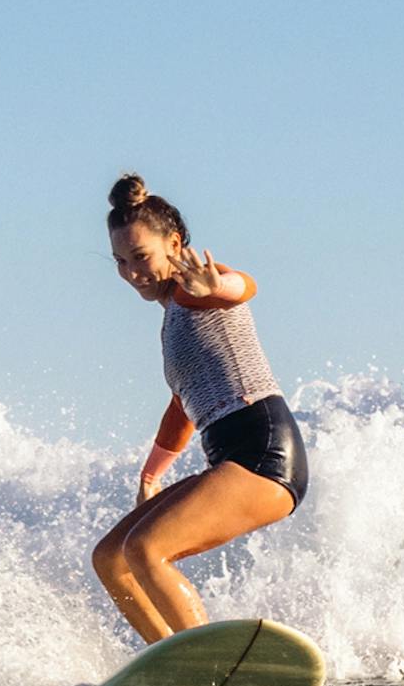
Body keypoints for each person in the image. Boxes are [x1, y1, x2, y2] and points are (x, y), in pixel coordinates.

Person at [92, 173, 309, 643]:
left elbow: (243, 286)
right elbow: (181, 406)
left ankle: (208, 663)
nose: (132, 273)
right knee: (111, 558)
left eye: (142, 257)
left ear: (174, 243)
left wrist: (219, 285)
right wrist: (151, 475)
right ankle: (172, 660)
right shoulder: (174, 320)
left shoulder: (196, 290)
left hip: (263, 450)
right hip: (230, 455)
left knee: (147, 549)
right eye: (121, 262)